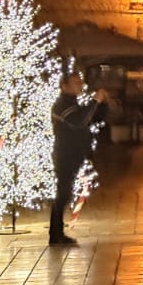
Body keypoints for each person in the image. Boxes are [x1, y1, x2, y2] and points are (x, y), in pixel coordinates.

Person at [49, 75, 106, 246]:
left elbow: (91, 119)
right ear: (64, 86)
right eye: (75, 82)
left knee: (65, 194)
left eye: (80, 82)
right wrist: (95, 100)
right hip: (65, 155)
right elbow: (78, 121)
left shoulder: (73, 103)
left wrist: (102, 105)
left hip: (73, 154)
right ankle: (55, 234)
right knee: (63, 193)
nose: (80, 85)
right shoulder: (62, 105)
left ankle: (57, 233)